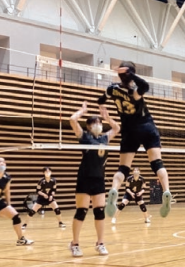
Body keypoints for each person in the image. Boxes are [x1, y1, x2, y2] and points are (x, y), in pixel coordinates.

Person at [102, 61, 173, 219]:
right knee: (157, 163)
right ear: (131, 74)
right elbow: (145, 86)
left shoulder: (112, 89)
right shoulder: (135, 91)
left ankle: (114, 190)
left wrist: (103, 110)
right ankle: (166, 191)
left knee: (123, 168)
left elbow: (101, 99)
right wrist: (131, 74)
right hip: (147, 127)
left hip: (129, 131)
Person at [68, 102, 120, 257]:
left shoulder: (105, 138)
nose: (98, 124)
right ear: (89, 126)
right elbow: (72, 120)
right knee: (81, 212)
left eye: (99, 122)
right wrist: (82, 111)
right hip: (84, 178)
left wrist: (108, 118)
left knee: (99, 212)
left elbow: (117, 128)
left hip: (99, 179)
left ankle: (100, 243)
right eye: (94, 122)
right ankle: (75, 244)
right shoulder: (84, 137)